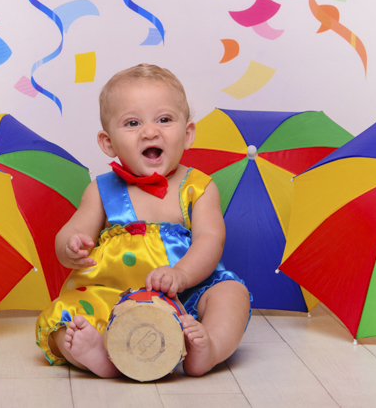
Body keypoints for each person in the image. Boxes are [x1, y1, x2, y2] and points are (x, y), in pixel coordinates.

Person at [35, 64, 251, 377]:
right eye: (133, 123)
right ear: (108, 143)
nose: (150, 131)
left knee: (232, 293)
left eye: (164, 119)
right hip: (111, 296)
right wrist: (70, 245)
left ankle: (210, 349)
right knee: (65, 318)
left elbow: (211, 239)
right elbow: (75, 228)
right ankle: (101, 354)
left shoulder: (198, 187)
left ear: (187, 134)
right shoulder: (101, 189)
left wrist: (181, 275)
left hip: (184, 296)